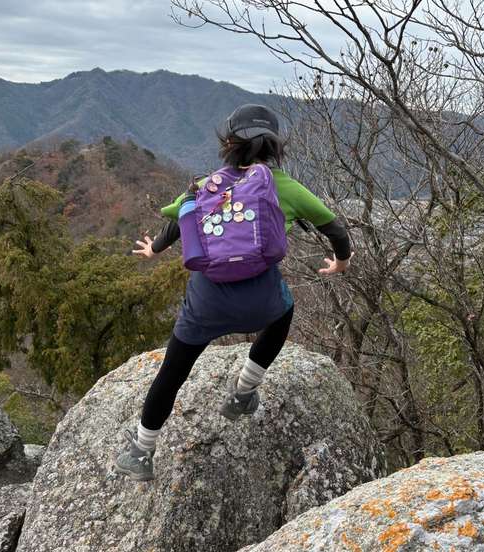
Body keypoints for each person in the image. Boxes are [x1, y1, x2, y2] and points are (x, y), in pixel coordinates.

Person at [114, 104, 352, 481]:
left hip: (206, 305)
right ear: (275, 147)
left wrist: (154, 249)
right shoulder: (285, 187)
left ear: (228, 144)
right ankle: (243, 393)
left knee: (173, 372)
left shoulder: (204, 185)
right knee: (284, 310)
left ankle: (141, 452)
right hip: (262, 304)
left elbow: (177, 215)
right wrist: (340, 262)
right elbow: (336, 230)